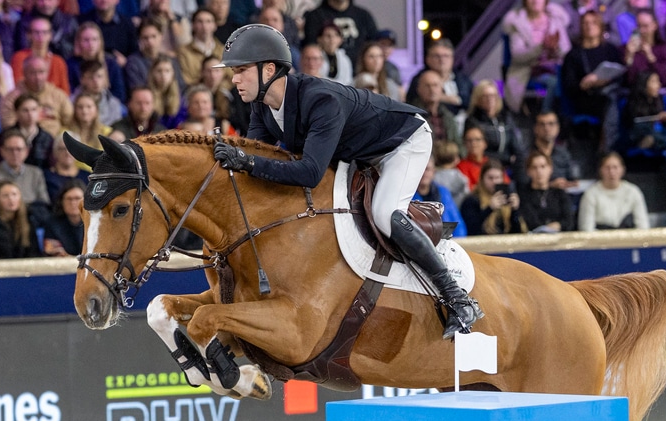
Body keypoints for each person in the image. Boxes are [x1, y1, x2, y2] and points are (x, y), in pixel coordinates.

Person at [211, 24, 481, 337]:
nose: (234, 79)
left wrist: (247, 161)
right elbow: (255, 160)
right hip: (355, 152)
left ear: (268, 69)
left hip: (403, 142)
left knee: (384, 213)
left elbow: (309, 173)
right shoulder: (261, 107)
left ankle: (458, 298)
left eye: (241, 69)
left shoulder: (320, 100)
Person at [560, 11, 620, 153]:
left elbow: (621, 74)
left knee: (612, 98)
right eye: (585, 23)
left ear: (600, 26)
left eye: (593, 22)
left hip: (610, 93)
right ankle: (607, 151)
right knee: (610, 102)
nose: (589, 26)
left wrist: (606, 80)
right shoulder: (573, 55)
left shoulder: (611, 50)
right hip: (586, 98)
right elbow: (568, 85)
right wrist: (584, 84)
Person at [501, 0, 570, 113]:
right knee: (553, 82)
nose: (535, 1)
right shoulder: (517, 22)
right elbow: (518, 55)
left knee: (571, 80)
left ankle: (567, 120)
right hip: (528, 69)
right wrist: (541, 47)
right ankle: (545, 116)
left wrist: (555, 48)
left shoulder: (555, 19)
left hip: (556, 67)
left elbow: (566, 50)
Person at [0, 55, 73, 135]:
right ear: (24, 73)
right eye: (32, 72)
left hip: (55, 142)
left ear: (47, 72)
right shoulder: (12, 98)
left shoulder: (58, 95)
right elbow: (8, 126)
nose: (38, 77)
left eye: (41, 72)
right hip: (23, 141)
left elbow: (69, 121)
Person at [578, 152, 649, 230]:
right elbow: (586, 228)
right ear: (600, 170)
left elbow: (643, 225)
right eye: (607, 168)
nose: (611, 172)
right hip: (600, 239)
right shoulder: (590, 194)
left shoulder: (633, 192)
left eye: (615, 167)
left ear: (622, 170)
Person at [465, 80, 523, 170]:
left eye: (493, 95)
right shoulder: (473, 121)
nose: (490, 99)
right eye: (485, 96)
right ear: (478, 99)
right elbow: (477, 150)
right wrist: (506, 158)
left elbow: (516, 147)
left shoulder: (505, 118)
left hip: (508, 168)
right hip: (483, 167)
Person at [300, 0, 376, 66]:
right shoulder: (314, 16)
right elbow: (311, 49)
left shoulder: (364, 16)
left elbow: (374, 47)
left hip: (359, 72)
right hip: (324, 73)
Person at [0, 180, 41, 258]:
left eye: (14, 194)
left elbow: (34, 252)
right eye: (5, 196)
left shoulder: (29, 220)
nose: (11, 199)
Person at [11, 16, 70, 94]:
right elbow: (17, 85)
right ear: (29, 35)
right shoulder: (19, 58)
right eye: (36, 32)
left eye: (45, 32)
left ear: (50, 35)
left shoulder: (58, 62)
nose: (40, 36)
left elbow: (65, 92)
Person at [517, 151, 573, 232]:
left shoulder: (560, 193)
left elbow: (569, 221)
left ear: (550, 169)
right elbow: (530, 221)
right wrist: (546, 228)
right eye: (534, 167)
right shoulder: (524, 195)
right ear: (528, 171)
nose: (539, 171)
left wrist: (559, 225)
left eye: (543, 167)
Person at [516, 111, 574, 189]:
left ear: (558, 128)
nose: (547, 128)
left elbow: (571, 178)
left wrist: (568, 183)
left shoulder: (563, 153)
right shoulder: (525, 154)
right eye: (542, 124)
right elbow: (522, 183)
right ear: (535, 128)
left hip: (561, 196)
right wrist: (551, 185)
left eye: (551, 124)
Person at [460, 161, 521, 235]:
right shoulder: (472, 200)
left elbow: (516, 232)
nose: (494, 182)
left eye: (497, 178)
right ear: (482, 178)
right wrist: (489, 209)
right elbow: (471, 229)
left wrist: (514, 211)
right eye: (490, 178)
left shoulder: (506, 198)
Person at [411, 158, 465, 238]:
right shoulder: (408, 195)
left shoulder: (443, 192)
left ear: (433, 171)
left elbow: (457, 222)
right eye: (420, 169)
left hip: (447, 242)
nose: (423, 173)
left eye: (427, 169)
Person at [621, 10, 666, 87]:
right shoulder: (626, 49)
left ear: (655, 25)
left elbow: (663, 79)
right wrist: (629, 56)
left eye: (645, 26)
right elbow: (626, 80)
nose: (641, 30)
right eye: (638, 26)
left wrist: (650, 56)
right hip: (634, 93)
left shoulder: (663, 48)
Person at [42, 179, 83, 256]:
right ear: (62, 201)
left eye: (77, 198)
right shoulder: (52, 223)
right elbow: (50, 252)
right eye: (69, 199)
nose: (73, 203)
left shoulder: (94, 223)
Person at [44, 134, 86, 202]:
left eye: (71, 148)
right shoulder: (46, 176)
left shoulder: (88, 176)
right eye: (62, 149)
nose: (67, 152)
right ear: (55, 152)